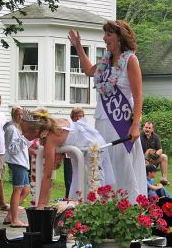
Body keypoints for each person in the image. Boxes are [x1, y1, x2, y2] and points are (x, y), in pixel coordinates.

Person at [69, 20, 147, 203]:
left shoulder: (130, 60)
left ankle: (128, 207)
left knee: (122, 166)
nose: (104, 38)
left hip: (121, 123)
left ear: (120, 38)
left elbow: (138, 96)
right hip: (102, 121)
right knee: (105, 164)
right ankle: (106, 205)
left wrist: (136, 125)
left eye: (108, 35)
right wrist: (78, 46)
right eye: (105, 35)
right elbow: (89, 70)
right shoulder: (106, 61)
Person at [20, 108, 115, 209]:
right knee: (78, 187)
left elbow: (47, 175)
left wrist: (41, 204)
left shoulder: (50, 138)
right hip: (83, 151)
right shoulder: (54, 124)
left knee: (93, 185)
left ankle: (98, 211)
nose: (22, 134)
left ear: (35, 131)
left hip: (92, 149)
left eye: (24, 131)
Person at [3, 106, 30, 227]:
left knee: (26, 190)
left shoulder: (19, 128)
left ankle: (10, 215)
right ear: (13, 115)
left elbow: (26, 144)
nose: (20, 117)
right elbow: (11, 149)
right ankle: (14, 219)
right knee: (17, 190)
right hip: (17, 162)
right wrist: (23, 138)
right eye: (18, 114)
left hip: (23, 162)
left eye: (21, 114)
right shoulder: (11, 129)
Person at [64, 106, 85, 198]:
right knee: (69, 179)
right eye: (76, 116)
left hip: (82, 158)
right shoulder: (70, 129)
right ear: (72, 118)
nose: (79, 118)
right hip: (70, 157)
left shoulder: (85, 129)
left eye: (80, 116)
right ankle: (69, 198)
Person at [140, 121, 169, 185]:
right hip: (141, 160)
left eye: (149, 128)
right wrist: (145, 159)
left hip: (152, 159)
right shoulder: (139, 136)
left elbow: (160, 150)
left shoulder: (156, 137)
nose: (147, 129)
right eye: (146, 127)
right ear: (143, 128)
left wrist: (154, 157)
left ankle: (164, 179)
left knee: (164, 156)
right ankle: (147, 180)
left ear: (152, 129)